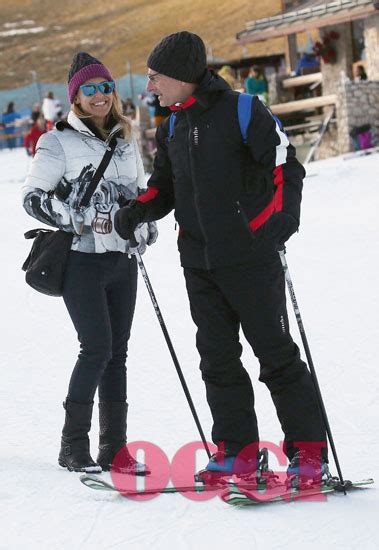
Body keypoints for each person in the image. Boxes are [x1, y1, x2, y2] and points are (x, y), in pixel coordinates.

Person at [114, 31, 328, 487]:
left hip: (250, 256)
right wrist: (138, 210)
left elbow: (284, 166)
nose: (150, 86)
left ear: (182, 75)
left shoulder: (243, 110)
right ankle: (238, 453)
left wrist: (281, 218)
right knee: (217, 359)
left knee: (276, 356)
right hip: (199, 262)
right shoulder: (170, 125)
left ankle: (308, 455)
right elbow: (163, 188)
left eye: (155, 77)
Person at [22, 52, 158, 474]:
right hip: (80, 260)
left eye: (105, 87)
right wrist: (71, 213)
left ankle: (113, 449)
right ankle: (72, 446)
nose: (100, 95)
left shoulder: (124, 139)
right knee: (96, 347)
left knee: (118, 352)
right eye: (90, 89)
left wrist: (143, 224)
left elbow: (139, 193)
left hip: (122, 260)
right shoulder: (56, 141)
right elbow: (32, 199)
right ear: (75, 96)